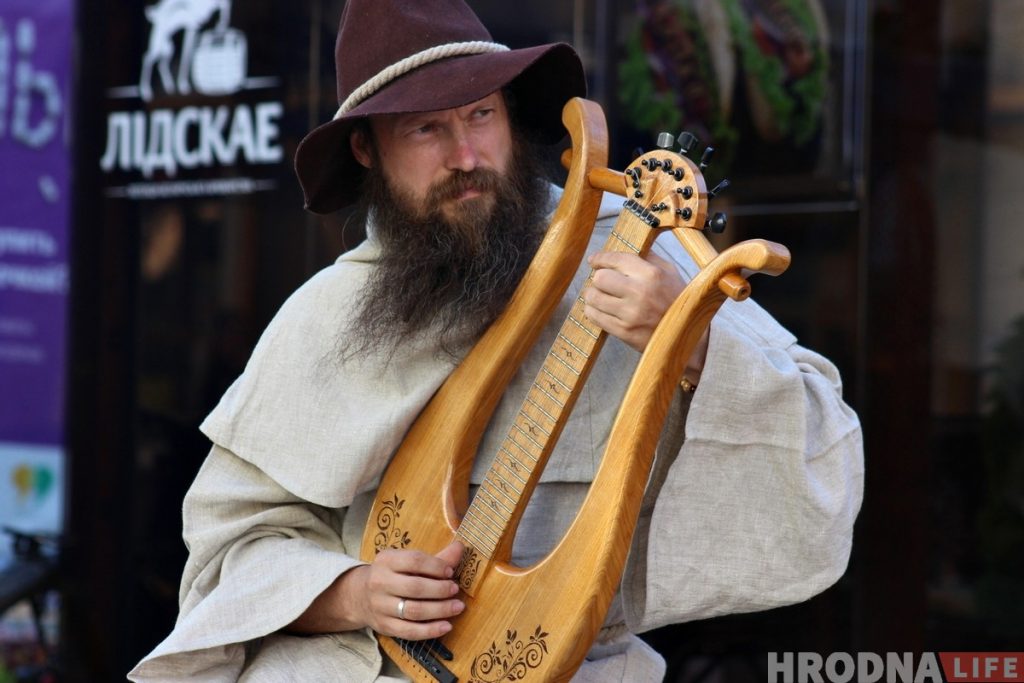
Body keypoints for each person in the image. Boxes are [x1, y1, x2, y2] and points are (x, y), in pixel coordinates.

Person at [130, 0, 864, 680]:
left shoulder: (633, 247)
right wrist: (353, 593)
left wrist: (688, 337)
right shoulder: (329, 314)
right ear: (366, 149)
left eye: (480, 114)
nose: (466, 155)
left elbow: (820, 446)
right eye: (426, 129)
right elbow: (229, 555)